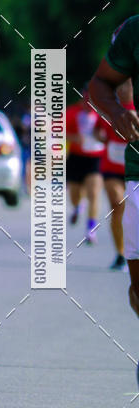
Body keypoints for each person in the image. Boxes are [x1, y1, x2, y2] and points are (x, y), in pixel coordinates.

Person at [89, 17, 139, 325]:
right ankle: (121, 251)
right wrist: (118, 115)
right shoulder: (134, 31)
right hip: (129, 166)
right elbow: (102, 83)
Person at [95, 80, 134, 270]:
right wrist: (101, 137)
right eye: (120, 87)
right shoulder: (110, 109)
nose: (123, 90)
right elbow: (97, 131)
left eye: (127, 86)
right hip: (112, 165)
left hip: (133, 168)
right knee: (117, 204)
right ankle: (120, 254)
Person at [66, 87, 104, 243]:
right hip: (76, 157)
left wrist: (103, 136)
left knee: (94, 193)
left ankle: (91, 229)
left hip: (96, 158)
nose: (89, 103)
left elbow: (111, 132)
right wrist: (73, 137)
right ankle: (77, 207)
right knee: (75, 194)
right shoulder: (72, 112)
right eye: (86, 99)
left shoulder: (103, 114)